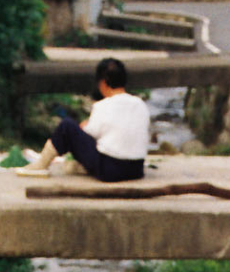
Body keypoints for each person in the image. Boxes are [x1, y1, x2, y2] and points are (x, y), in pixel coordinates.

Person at [18, 57, 149, 183]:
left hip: (110, 170)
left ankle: (41, 164)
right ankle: (80, 167)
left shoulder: (103, 106)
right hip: (136, 169)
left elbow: (91, 133)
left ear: (103, 83)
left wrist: (83, 127)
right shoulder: (140, 104)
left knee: (67, 126)